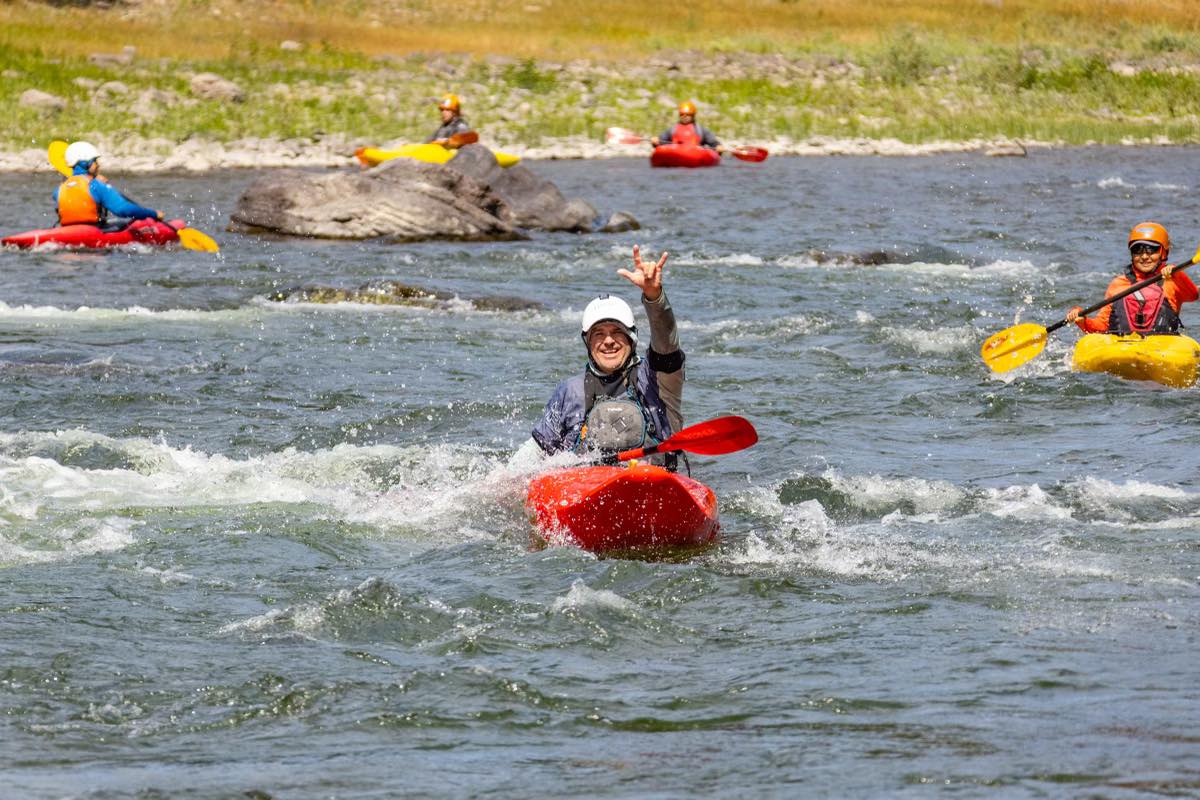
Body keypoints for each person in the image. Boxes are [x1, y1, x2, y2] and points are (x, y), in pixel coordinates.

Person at [526, 245, 686, 469]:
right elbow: (536, 452)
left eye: (617, 332)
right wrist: (503, 481)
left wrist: (654, 297)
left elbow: (666, 342)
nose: (608, 341)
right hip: (587, 485)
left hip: (653, 481)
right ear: (588, 343)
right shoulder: (570, 391)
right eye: (599, 334)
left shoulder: (658, 381)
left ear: (632, 338)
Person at [1066, 222, 1197, 334]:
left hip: (1163, 345)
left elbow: (1194, 295)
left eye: (1151, 250)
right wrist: (1083, 321)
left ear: (1164, 252)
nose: (1144, 256)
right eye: (1137, 250)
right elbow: (1102, 327)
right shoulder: (1119, 284)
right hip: (1124, 347)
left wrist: (1176, 273)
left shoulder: (1172, 279)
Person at [54, 141, 162, 228]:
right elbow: (123, 209)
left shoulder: (59, 190)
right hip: (94, 231)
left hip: (66, 231)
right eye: (95, 161)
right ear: (86, 163)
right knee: (133, 225)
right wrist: (152, 214)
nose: (98, 165)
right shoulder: (96, 186)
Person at [650, 100, 724, 153]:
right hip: (675, 154)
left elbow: (713, 142)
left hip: (695, 154)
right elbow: (661, 140)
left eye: (688, 115)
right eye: (682, 114)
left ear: (693, 115)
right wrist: (655, 141)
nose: (685, 117)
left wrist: (718, 146)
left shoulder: (701, 130)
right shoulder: (673, 129)